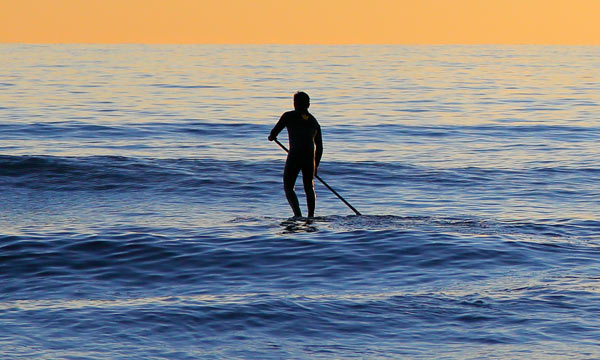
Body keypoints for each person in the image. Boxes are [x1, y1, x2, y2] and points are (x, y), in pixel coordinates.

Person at [268, 92, 323, 218]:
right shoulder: (314, 122)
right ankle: (311, 216)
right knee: (309, 187)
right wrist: (316, 166)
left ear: (295, 103)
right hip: (309, 158)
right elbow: (319, 147)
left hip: (295, 156)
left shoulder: (288, 116)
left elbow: (273, 133)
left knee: (288, 186)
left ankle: (297, 215)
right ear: (308, 104)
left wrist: (272, 137)